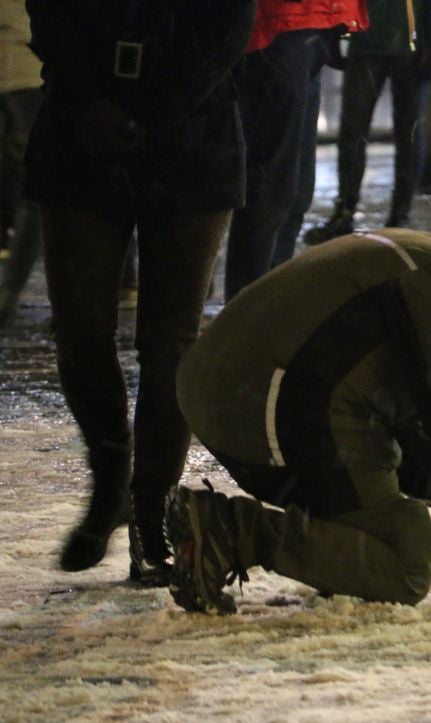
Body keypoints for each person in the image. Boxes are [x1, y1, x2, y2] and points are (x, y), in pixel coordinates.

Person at [167, 231, 431, 614]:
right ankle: (235, 530)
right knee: (404, 556)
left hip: (224, 393)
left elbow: (416, 437)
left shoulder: (416, 256)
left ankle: (272, 547)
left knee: (373, 493)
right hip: (267, 402)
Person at [24, 0, 257, 586]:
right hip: (80, 134)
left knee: (171, 344)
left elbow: (228, 24)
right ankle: (111, 485)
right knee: (80, 330)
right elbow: (51, 16)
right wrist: (89, 99)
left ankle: (152, 507)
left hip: (193, 136)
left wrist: (158, 107)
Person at [222, 0, 369, 301]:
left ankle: (270, 305)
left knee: (296, 191)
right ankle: (249, 315)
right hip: (283, 23)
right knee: (274, 190)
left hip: (312, 23)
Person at [303, 0, 431, 244]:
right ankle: (392, 214)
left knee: (374, 131)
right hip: (391, 39)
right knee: (387, 132)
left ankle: (359, 212)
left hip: (387, 40)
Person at [0, 0, 43, 326]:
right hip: (27, 66)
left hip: (22, 66)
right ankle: (8, 294)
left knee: (32, 186)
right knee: (35, 188)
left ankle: (9, 293)